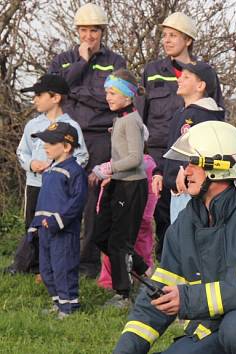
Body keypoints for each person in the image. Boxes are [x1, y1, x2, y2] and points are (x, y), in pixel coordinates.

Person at [113, 121, 236, 354]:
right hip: (222, 316)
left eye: (193, 163)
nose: (186, 171)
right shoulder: (188, 221)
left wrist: (188, 299)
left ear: (219, 167)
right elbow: (159, 293)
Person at [48, 3, 126, 278]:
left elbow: (111, 99)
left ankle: (88, 263)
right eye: (84, 30)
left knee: (94, 201)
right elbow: (55, 91)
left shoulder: (116, 62)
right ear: (77, 31)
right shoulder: (63, 60)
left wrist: (76, 93)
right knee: (64, 197)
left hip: (100, 138)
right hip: (67, 138)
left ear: (102, 31)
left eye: (94, 30)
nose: (89, 36)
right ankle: (59, 255)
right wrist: (81, 63)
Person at [139, 11, 223, 260]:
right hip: (160, 154)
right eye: (164, 35)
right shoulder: (153, 70)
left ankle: (184, 270)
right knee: (161, 216)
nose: (166, 40)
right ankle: (166, 265)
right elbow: (141, 113)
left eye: (173, 35)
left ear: (188, 39)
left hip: (192, 162)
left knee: (190, 217)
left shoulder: (203, 72)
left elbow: (216, 117)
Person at [4, 75, 88, 276]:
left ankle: (51, 268)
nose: (35, 100)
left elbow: (82, 155)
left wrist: (62, 170)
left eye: (39, 95)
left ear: (56, 97)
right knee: (32, 225)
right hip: (35, 184)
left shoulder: (72, 127)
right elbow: (22, 152)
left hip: (59, 190)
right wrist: (32, 164)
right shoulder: (32, 125)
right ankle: (31, 266)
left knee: (55, 226)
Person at [91, 69, 148, 308]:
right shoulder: (121, 119)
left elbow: (136, 159)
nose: (108, 97)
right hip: (118, 184)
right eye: (107, 92)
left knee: (118, 241)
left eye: (113, 92)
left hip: (131, 187)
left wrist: (108, 168)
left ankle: (123, 294)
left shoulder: (131, 121)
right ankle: (142, 269)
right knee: (100, 236)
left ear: (128, 95)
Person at [151, 61, 225, 224]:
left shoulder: (207, 116)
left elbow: (207, 154)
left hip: (193, 194)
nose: (179, 80)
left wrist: (186, 171)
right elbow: (172, 149)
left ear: (200, 86)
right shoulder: (180, 113)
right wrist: (159, 172)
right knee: (177, 242)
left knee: (189, 243)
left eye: (186, 77)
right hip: (175, 193)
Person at [28, 122, 88, 319]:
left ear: (66, 146)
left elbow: (76, 202)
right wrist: (36, 223)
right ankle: (58, 302)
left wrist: (56, 221)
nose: (45, 146)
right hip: (45, 229)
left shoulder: (74, 171)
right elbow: (44, 200)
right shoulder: (50, 170)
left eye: (50, 142)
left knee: (63, 268)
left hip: (63, 231)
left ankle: (69, 307)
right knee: (46, 269)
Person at [98, 153, 158, 289]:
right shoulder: (115, 159)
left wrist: (145, 216)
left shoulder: (146, 163)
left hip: (137, 216)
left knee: (138, 245)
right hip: (115, 213)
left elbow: (150, 193)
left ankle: (143, 278)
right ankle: (110, 280)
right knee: (108, 243)